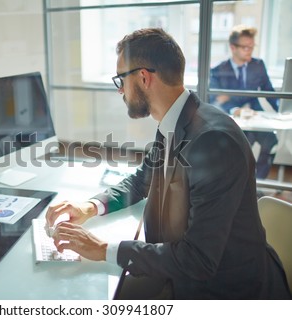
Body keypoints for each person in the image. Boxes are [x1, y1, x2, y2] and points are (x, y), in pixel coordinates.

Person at [45, 28, 291, 299]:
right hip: (182, 274)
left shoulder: (213, 141)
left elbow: (198, 260)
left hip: (229, 293)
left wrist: (103, 249)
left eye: (120, 80)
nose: (120, 91)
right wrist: (90, 206)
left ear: (143, 77)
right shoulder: (175, 120)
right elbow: (143, 180)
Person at [209, 25, 278, 179]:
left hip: (255, 116)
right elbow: (214, 99)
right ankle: (240, 184)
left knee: (272, 142)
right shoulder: (218, 70)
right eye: (245, 47)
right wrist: (234, 109)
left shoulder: (258, 65)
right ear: (233, 47)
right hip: (232, 119)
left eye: (252, 47)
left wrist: (282, 109)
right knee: (241, 151)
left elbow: (270, 92)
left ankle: (257, 182)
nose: (250, 51)